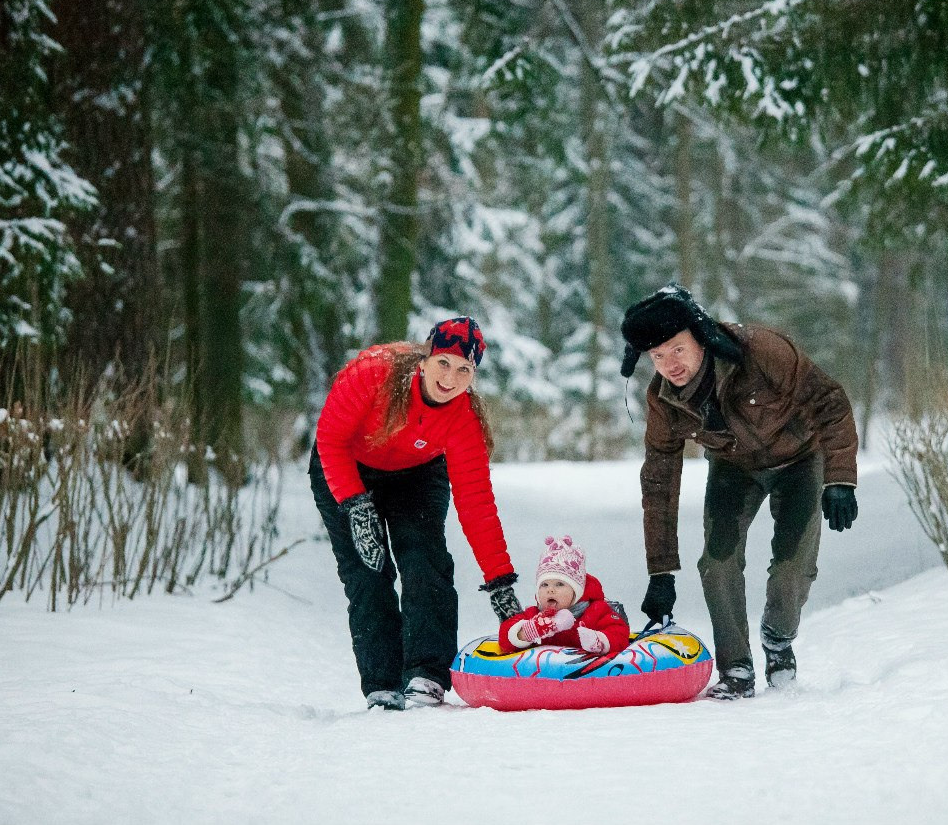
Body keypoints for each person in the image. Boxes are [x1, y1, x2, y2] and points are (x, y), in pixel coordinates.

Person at [619, 284, 859, 698]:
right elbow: (659, 481)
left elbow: (830, 401)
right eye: (657, 357)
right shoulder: (662, 400)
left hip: (800, 458)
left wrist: (840, 478)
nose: (669, 364)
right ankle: (736, 670)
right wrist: (661, 572)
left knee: (792, 567)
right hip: (734, 469)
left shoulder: (761, 351)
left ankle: (778, 638)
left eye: (677, 349)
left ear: (698, 334)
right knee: (717, 564)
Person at [309, 316, 524, 711]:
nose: (450, 377)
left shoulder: (463, 420)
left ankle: (427, 674)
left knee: (425, 557)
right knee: (368, 570)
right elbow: (331, 439)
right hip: (344, 466)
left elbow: (476, 503)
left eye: (464, 369)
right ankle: (382, 682)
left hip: (417, 473)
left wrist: (499, 583)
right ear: (424, 358)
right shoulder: (373, 374)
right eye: (444, 362)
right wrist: (357, 507)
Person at [498, 535, 630, 656]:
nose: (550, 590)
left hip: (585, 674)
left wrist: (599, 641)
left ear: (576, 591)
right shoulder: (534, 615)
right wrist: (528, 631)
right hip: (546, 675)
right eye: (544, 585)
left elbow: (619, 633)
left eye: (559, 584)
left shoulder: (596, 611)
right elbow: (504, 636)